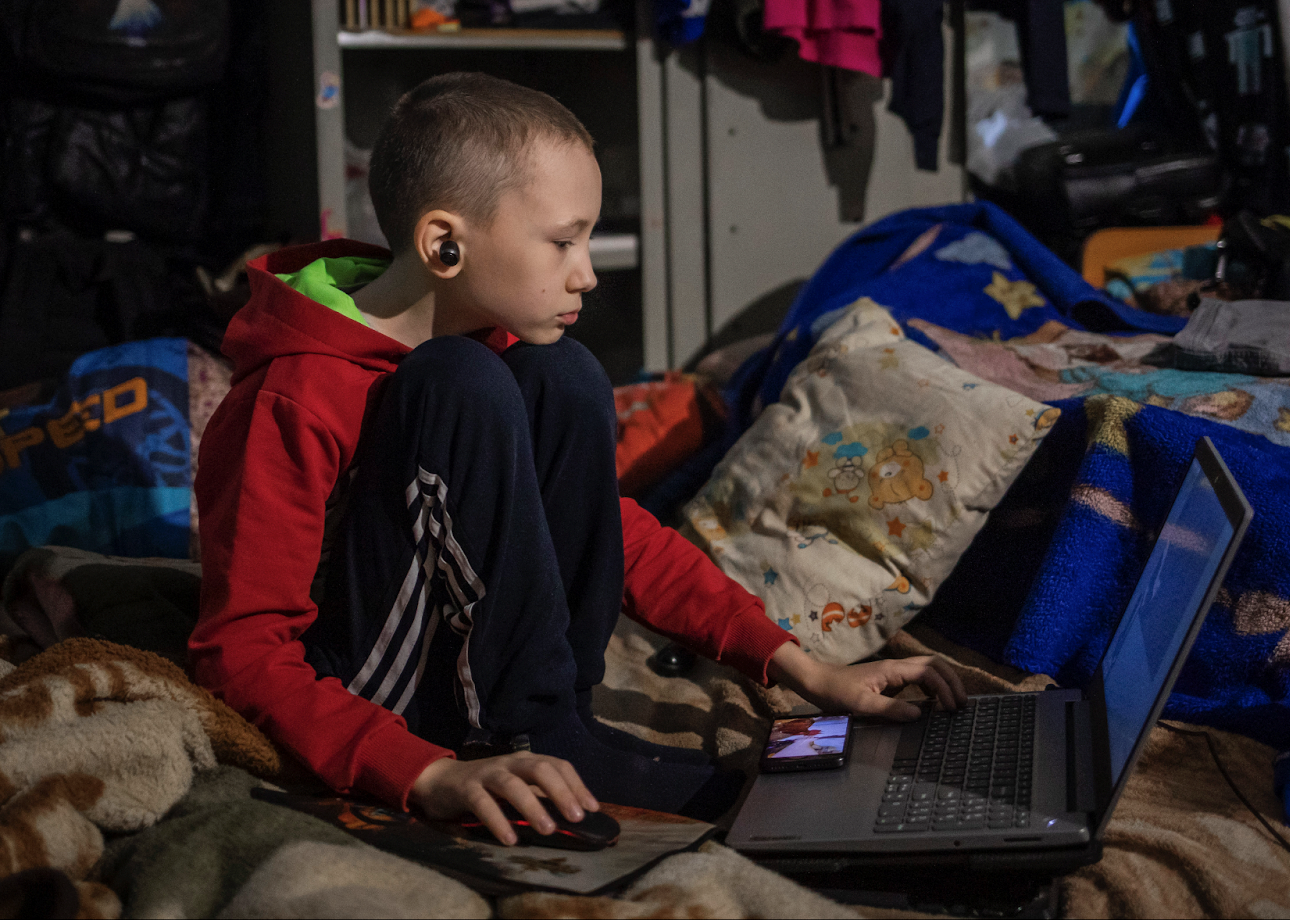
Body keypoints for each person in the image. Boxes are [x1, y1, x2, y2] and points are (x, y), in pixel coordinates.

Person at [189, 72, 966, 847]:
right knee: (461, 379)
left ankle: (555, 722)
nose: (585, 271)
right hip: (374, 690)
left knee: (562, 374)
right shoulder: (294, 395)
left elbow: (600, 525)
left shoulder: (489, 347)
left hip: (503, 684)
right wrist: (423, 771)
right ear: (443, 243)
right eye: (563, 241)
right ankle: (529, 734)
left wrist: (808, 671)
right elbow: (243, 650)